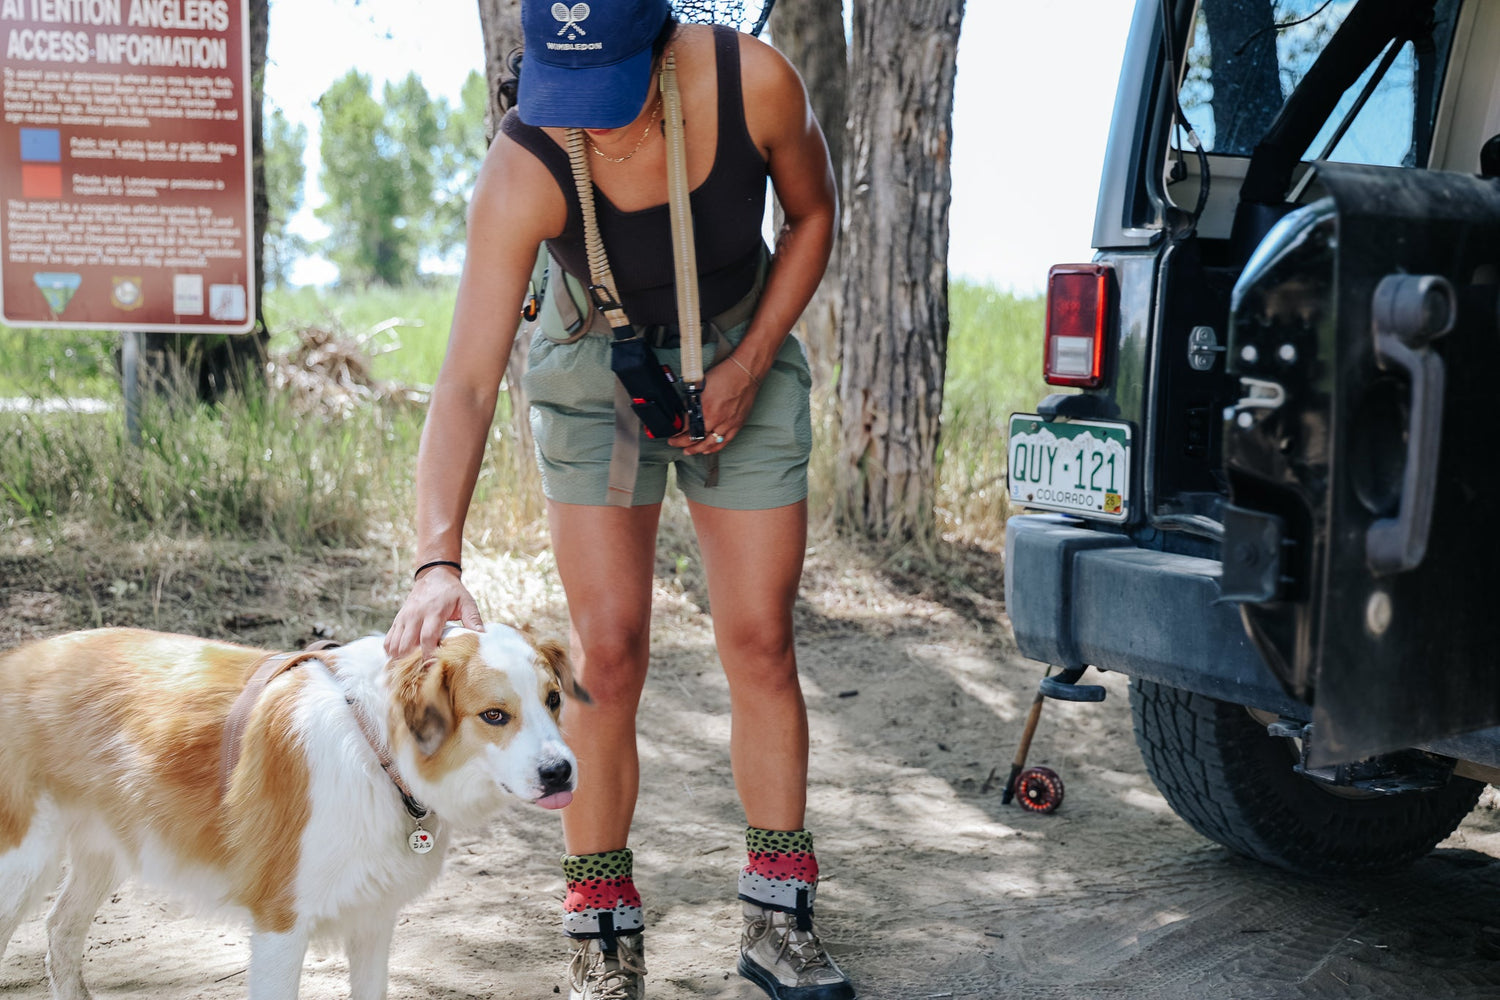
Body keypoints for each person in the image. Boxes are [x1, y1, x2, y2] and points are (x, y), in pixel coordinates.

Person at [384, 0, 845, 997]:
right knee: (607, 652)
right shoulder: (525, 163)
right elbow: (465, 379)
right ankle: (602, 935)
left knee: (759, 637)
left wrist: (755, 359)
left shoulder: (753, 82)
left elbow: (814, 214)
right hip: (597, 372)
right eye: (567, 94)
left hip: (740, 342)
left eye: (609, 92)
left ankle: (779, 919)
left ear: (661, 43)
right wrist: (436, 558)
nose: (586, 121)